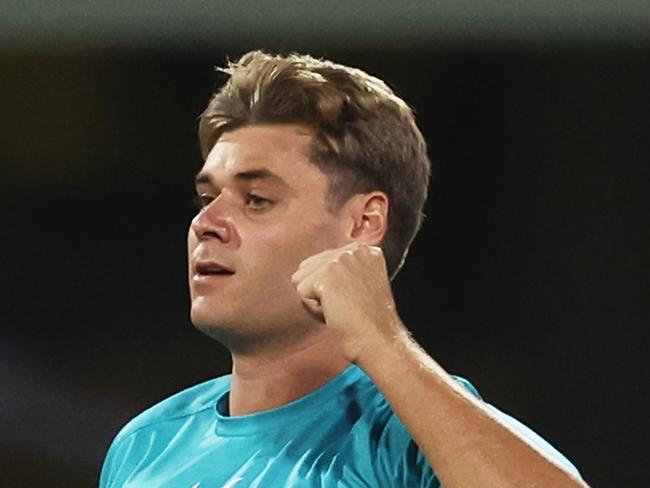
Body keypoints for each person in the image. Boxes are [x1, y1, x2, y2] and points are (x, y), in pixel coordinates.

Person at [99, 50, 589, 487]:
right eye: (207, 198)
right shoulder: (144, 447)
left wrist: (383, 342)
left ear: (363, 222)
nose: (207, 223)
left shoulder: (407, 433)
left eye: (257, 199)